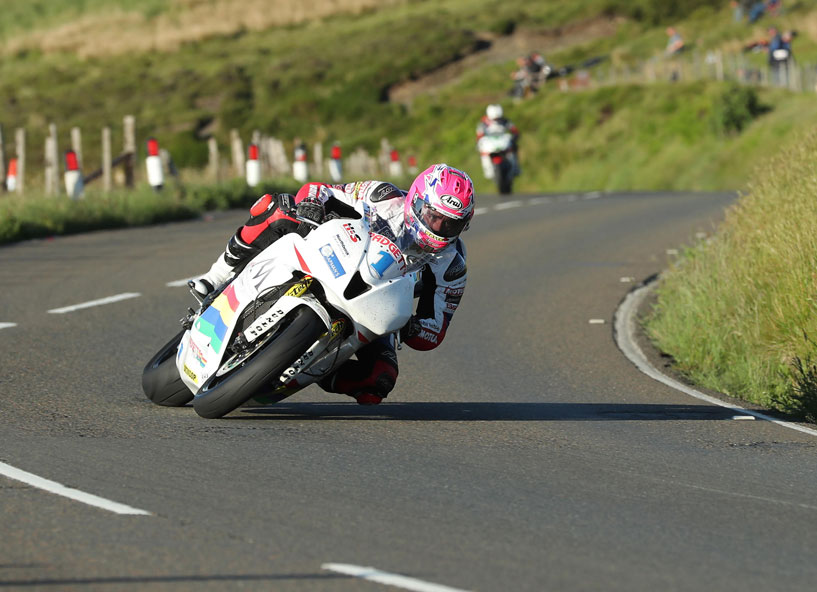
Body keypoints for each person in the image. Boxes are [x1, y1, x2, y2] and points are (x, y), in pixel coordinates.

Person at [190, 163, 475, 406]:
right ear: (416, 200)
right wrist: (312, 205)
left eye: (449, 225)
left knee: (380, 379)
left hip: (372, 306)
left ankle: (317, 369)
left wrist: (414, 328)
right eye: (433, 216)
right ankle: (216, 275)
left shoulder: (452, 265)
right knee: (278, 208)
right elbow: (320, 189)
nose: (437, 229)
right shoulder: (383, 196)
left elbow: (436, 330)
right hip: (332, 255)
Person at [475, 104, 520, 180]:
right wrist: (479, 141)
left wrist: (515, 136)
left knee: (513, 148)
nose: (497, 120)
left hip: (504, 144)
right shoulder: (484, 122)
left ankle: (515, 168)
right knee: (483, 152)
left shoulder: (505, 121)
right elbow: (479, 134)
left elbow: (514, 130)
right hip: (490, 145)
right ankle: (488, 171)